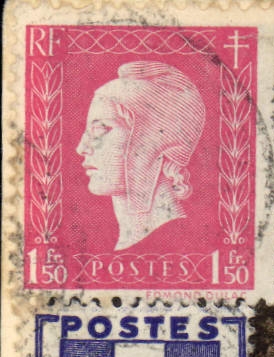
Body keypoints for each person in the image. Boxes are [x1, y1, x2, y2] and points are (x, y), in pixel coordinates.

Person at [76, 61, 206, 251]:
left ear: (153, 140)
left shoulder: (180, 245)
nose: (81, 148)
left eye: (101, 129)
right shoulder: (129, 244)